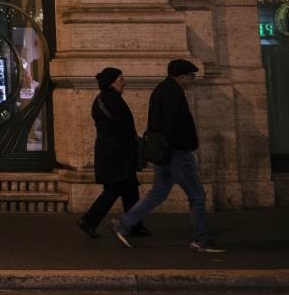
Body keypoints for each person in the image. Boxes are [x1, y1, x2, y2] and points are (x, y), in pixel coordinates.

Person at [110, 59, 226, 253]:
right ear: (181, 76)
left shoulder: (161, 90)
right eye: (191, 76)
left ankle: (124, 223)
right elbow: (175, 125)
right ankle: (201, 239)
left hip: (163, 152)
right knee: (197, 195)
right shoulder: (174, 94)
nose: (193, 79)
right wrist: (187, 144)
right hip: (176, 152)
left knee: (158, 192)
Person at [76, 67, 150, 239]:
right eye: (121, 79)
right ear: (112, 83)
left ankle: (135, 225)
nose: (124, 83)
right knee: (114, 189)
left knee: (130, 189)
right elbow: (123, 127)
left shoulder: (101, 99)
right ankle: (88, 220)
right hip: (117, 154)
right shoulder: (113, 100)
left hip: (112, 152)